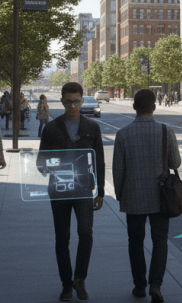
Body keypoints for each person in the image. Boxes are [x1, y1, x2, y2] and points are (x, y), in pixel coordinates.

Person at [39, 82, 106, 301]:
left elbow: (100, 162)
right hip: (58, 190)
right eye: (68, 102)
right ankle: (66, 284)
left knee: (86, 234)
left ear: (82, 101)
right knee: (62, 238)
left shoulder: (92, 127)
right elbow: (41, 163)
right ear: (62, 101)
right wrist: (50, 165)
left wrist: (101, 192)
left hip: (84, 189)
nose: (72, 106)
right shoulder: (51, 128)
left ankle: (80, 280)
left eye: (76, 101)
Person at [113, 89, 181, 303]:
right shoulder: (165, 131)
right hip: (161, 197)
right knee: (160, 240)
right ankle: (156, 285)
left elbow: (118, 169)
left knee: (135, 241)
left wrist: (119, 193)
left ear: (134, 107)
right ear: (154, 107)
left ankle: (139, 285)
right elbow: (175, 163)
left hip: (133, 196)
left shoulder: (123, 134)